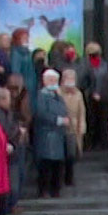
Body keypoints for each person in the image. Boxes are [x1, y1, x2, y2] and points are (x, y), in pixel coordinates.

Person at [33, 70, 70, 198]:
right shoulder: (41, 96)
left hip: (58, 136)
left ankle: (56, 190)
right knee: (46, 165)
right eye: (51, 80)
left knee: (57, 165)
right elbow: (41, 113)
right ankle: (44, 190)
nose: (53, 83)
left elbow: (64, 110)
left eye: (55, 80)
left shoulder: (58, 97)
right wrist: (58, 120)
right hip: (46, 135)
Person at [60, 68, 87, 187]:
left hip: (74, 127)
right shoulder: (58, 92)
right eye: (68, 79)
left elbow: (82, 111)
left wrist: (81, 126)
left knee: (72, 154)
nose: (70, 81)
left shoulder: (78, 94)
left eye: (72, 79)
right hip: (61, 126)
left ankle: (69, 177)